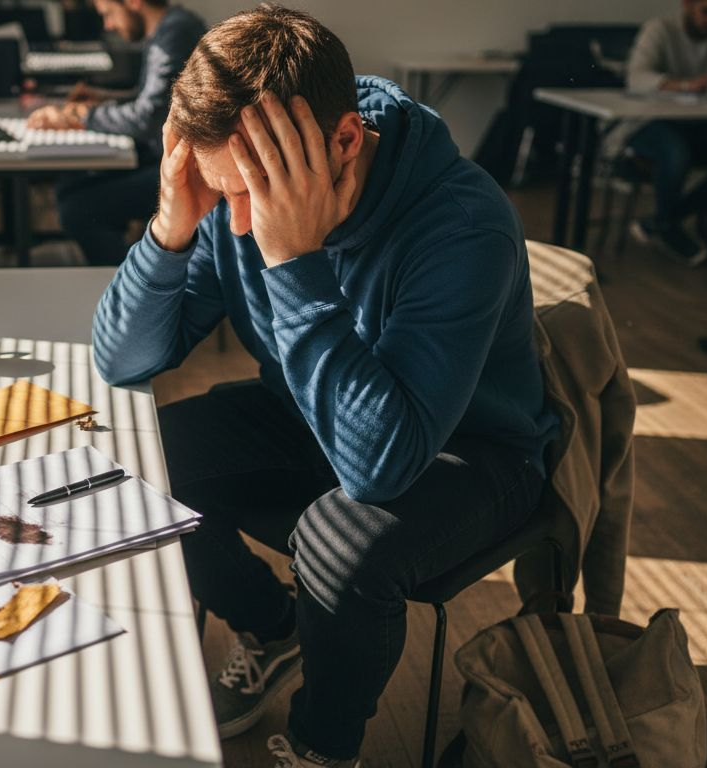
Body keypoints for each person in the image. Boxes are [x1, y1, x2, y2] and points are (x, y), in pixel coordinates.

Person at [91, 5, 559, 766]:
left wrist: (293, 261)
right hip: (315, 411)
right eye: (221, 195)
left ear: (344, 140)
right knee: (141, 464)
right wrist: (172, 229)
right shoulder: (232, 198)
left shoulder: (463, 224)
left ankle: (323, 744)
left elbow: (379, 468)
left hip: (469, 448)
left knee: (338, 543)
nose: (237, 226)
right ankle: (274, 628)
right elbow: (121, 360)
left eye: (249, 195)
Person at [27, 0, 205, 266]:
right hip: (160, 155)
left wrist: (78, 116)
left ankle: (134, 284)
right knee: (69, 186)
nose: (108, 25)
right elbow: (152, 100)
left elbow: (147, 118)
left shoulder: (173, 33)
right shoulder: (171, 27)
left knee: (77, 208)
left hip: (181, 169)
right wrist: (103, 100)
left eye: (108, 14)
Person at [624, 0, 707, 265]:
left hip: (704, 124)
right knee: (675, 151)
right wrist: (687, 85)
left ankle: (663, 221)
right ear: (687, 5)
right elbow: (636, 78)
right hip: (651, 122)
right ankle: (666, 223)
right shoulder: (659, 30)